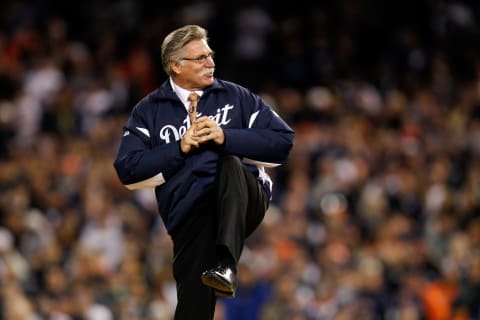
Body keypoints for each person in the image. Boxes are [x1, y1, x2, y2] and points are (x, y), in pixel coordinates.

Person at [113, 24, 294, 320]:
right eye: (199, 58)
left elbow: (283, 141)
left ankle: (226, 262)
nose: (210, 62)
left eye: (209, 55)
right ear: (175, 65)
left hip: (242, 200)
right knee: (193, 303)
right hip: (190, 215)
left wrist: (226, 137)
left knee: (229, 163)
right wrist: (179, 148)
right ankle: (219, 268)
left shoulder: (237, 97)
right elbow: (127, 169)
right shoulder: (149, 111)